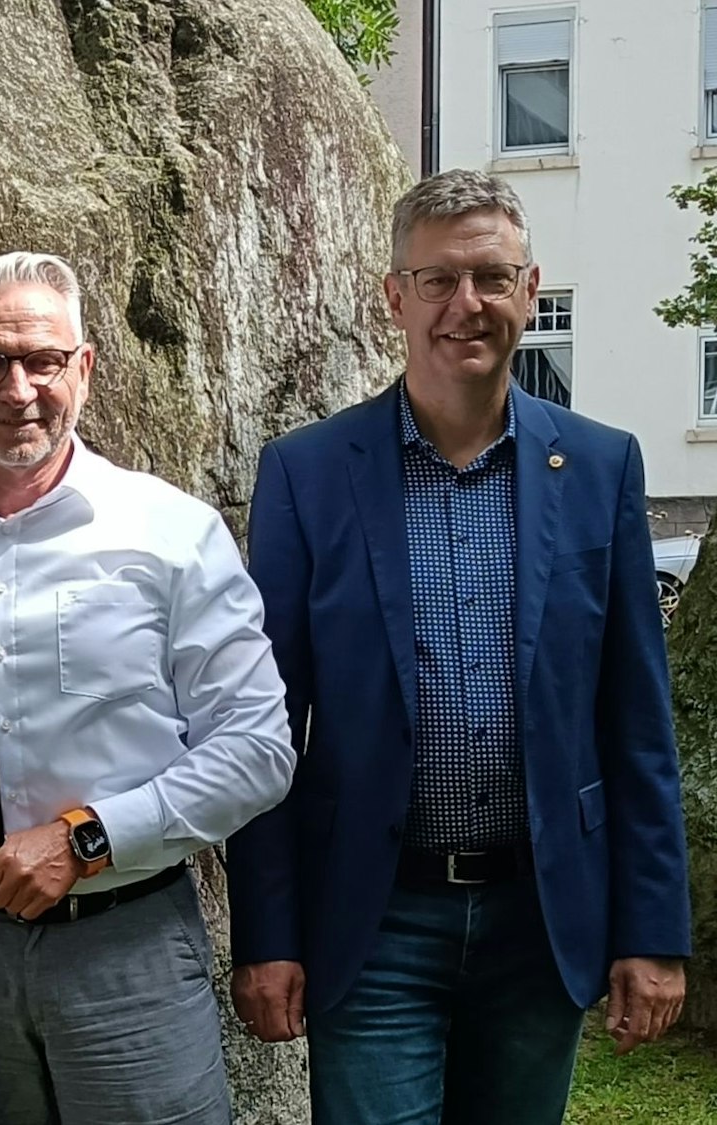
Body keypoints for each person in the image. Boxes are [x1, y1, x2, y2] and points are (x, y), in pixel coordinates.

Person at [228, 169, 691, 1124]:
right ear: (395, 297)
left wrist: (653, 930)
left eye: (490, 277)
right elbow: (264, 724)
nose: (464, 305)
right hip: (376, 916)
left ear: (530, 291)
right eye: (437, 281)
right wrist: (266, 934)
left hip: (543, 913)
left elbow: (636, 723)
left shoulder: (601, 466)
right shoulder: (307, 473)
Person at [0, 251, 296, 1124]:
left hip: (126, 946)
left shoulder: (174, 533)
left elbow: (258, 751)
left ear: (86, 368)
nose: (19, 388)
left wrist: (87, 839)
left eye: (44, 361)